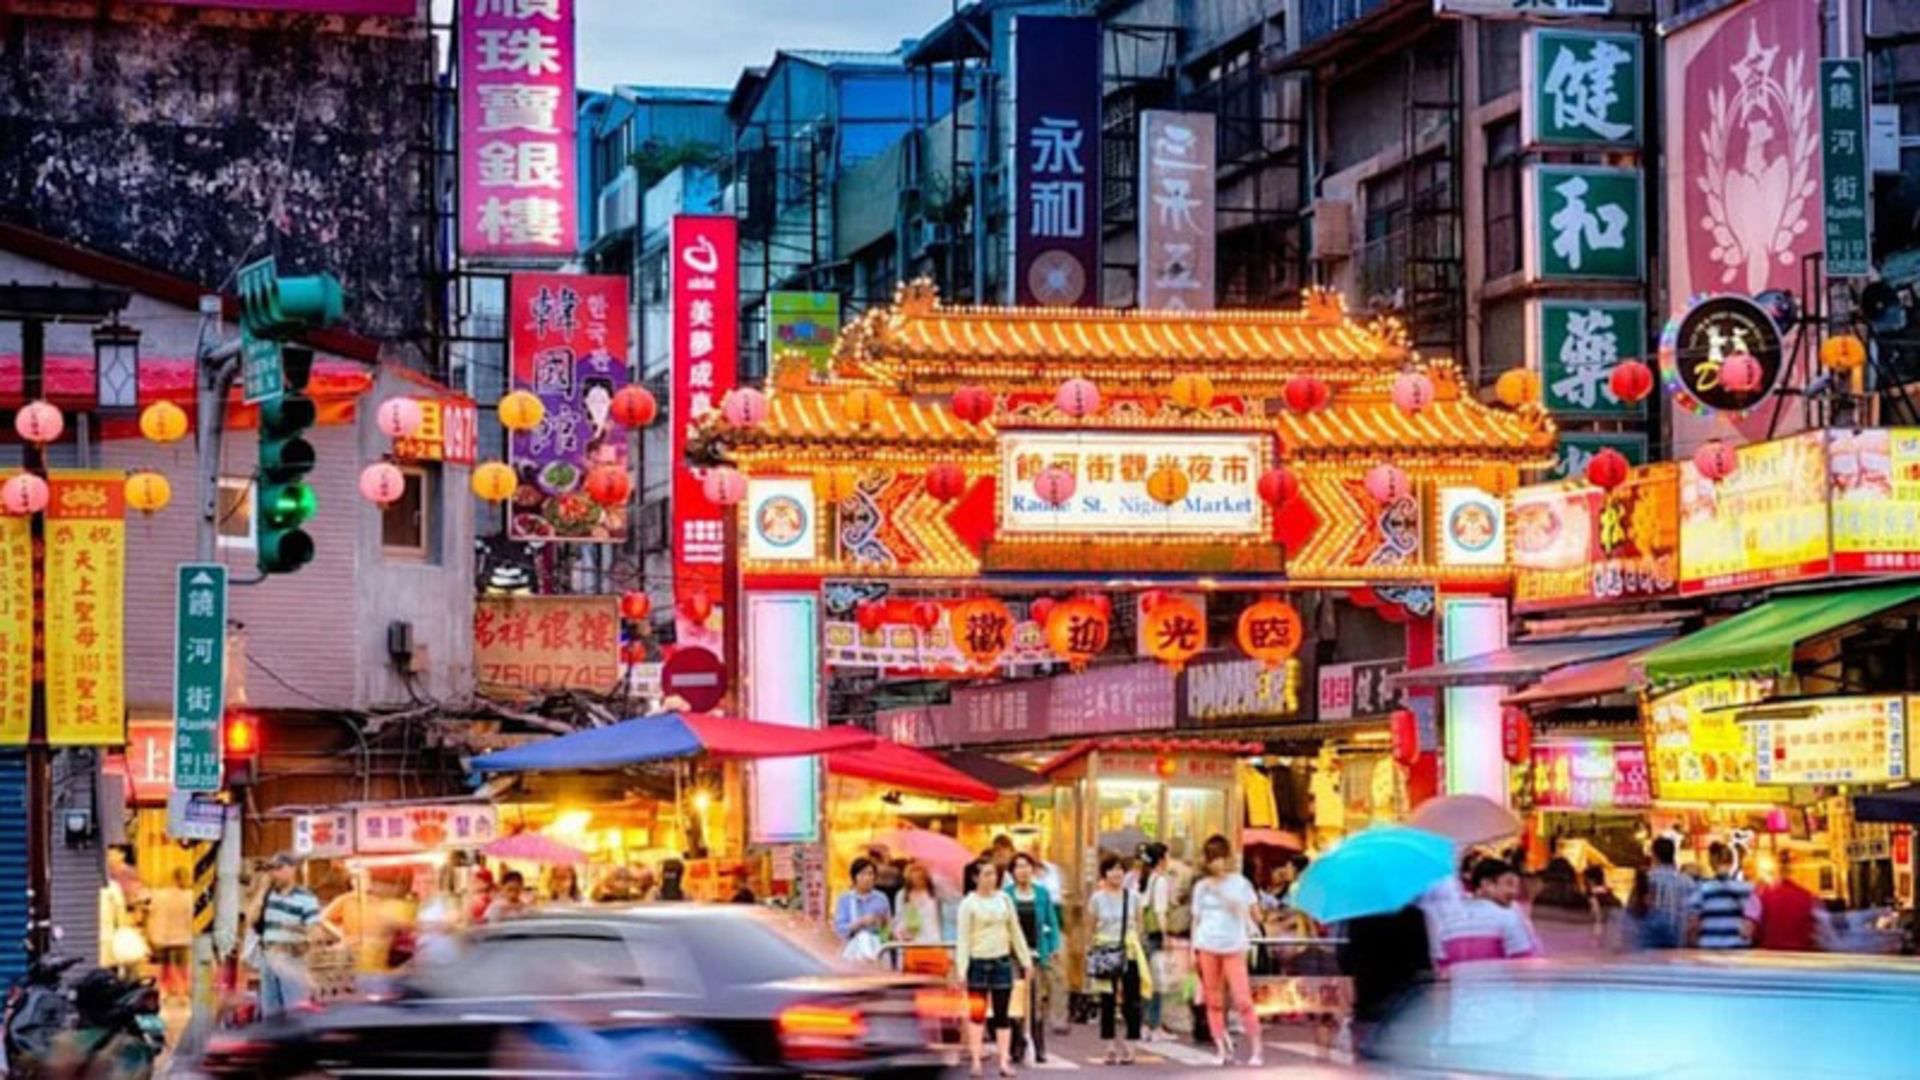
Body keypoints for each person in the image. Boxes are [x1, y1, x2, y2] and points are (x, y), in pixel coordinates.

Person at [954, 859, 1032, 1078]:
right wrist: (962, 970)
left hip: (1001, 961)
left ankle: (1004, 1061)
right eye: (986, 874)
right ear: (975, 878)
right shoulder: (968, 904)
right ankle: (977, 1060)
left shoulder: (1004, 900)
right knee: (977, 1014)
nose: (991, 878)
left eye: (993, 874)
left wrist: (1026, 960)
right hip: (978, 962)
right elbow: (964, 940)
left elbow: (1015, 931)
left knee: (1002, 1014)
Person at [1191, 835, 1262, 1067]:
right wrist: (1193, 948)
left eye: (1221, 857)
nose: (1217, 863)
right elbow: (1196, 919)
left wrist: (1235, 904)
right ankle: (1221, 1048)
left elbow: (1257, 914)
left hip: (1233, 945)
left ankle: (1256, 1050)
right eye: (1212, 858)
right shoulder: (1201, 886)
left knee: (1243, 999)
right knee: (1213, 1000)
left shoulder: (1240, 883)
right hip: (1207, 944)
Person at [1338, 904, 1432, 1049]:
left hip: (1369, 996)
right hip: (1406, 1001)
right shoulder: (1415, 915)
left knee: (1369, 1058)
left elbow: (1346, 959)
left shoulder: (1360, 918)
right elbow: (1423, 962)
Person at [1086, 855, 1146, 1066]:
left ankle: (1131, 1045)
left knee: (1132, 1000)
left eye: (1120, 869)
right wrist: (1091, 950)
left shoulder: (1134, 897)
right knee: (1107, 1002)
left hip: (1129, 952)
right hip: (1104, 951)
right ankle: (1109, 1045)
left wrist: (1134, 942)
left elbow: (1139, 924)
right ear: (1104, 874)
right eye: (1111, 870)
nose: (1116, 874)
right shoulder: (1097, 899)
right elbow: (1091, 927)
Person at [1004, 852, 1061, 1065]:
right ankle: (1017, 1045)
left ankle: (1039, 1046)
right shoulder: (1006, 895)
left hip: (1037, 953)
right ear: (1012, 872)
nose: (1023, 871)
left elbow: (1051, 921)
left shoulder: (1042, 894)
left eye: (1027, 866)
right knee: (1016, 1001)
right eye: (1018, 867)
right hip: (1012, 955)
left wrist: (1054, 946)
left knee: (1036, 1000)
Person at [1430, 858, 1540, 968]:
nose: (1514, 892)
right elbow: (1524, 964)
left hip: (1460, 984)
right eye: (1509, 884)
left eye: (1516, 887)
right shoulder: (1507, 916)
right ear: (1486, 885)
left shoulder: (1449, 919)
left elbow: (1442, 966)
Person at [255, 853, 326, 1017]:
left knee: (296, 1011)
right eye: (273, 869)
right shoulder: (268, 894)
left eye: (279, 868)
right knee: (270, 1014)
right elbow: (253, 921)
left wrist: (293, 929)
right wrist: (261, 891)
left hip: (290, 956)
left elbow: (315, 931)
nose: (275, 873)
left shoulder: (306, 898)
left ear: (292, 869)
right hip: (268, 957)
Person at [1690, 841, 1755, 949]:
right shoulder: (1747, 889)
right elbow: (1751, 923)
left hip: (1709, 947)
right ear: (1732, 862)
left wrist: (1692, 944)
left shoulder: (1701, 889)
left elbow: (1694, 923)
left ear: (1711, 862)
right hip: (1739, 947)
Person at [1754, 850, 1822, 951]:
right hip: (1801, 956)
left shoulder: (1764, 896)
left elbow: (1756, 932)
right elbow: (1817, 933)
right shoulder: (1808, 897)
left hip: (1770, 956)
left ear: (1775, 870)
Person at [893, 862, 948, 977]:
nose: (918, 880)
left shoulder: (934, 894)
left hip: (933, 941)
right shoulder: (902, 895)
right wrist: (901, 932)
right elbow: (898, 918)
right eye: (915, 877)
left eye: (921, 877)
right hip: (911, 942)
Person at [1642, 837, 1695, 949]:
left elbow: (1635, 912)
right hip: (1682, 948)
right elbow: (1694, 915)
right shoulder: (1688, 882)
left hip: (1651, 947)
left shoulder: (1647, 880)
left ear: (1654, 855)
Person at [147, 868, 193, 997]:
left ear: (172, 878)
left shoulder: (159, 895)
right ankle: (181, 992)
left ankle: (164, 992)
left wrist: (150, 935)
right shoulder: (190, 896)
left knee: (164, 967)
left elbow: (152, 914)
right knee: (181, 968)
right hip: (182, 938)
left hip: (161, 937)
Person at [833, 857, 894, 950]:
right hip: (851, 950)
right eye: (862, 874)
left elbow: (887, 929)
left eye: (870, 874)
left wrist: (882, 928)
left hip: (876, 950)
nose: (867, 878)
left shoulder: (881, 898)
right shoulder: (845, 899)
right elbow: (840, 930)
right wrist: (861, 922)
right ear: (854, 877)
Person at [1584, 865, 1622, 947]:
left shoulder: (1590, 898)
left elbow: (1591, 919)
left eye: (1584, 880)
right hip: (1615, 939)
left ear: (1591, 881)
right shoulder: (1613, 898)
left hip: (1597, 939)